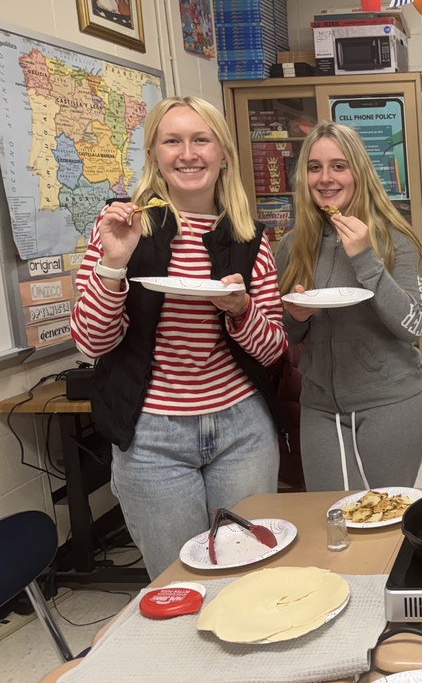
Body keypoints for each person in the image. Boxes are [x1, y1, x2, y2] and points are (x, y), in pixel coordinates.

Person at [70, 95, 288, 579]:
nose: (187, 153)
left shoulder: (250, 238)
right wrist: (112, 264)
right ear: (154, 155)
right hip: (151, 436)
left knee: (248, 573)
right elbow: (90, 343)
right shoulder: (122, 229)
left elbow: (274, 349)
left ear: (223, 153)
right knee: (179, 582)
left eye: (200, 139)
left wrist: (241, 311)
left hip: (242, 430)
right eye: (172, 141)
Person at [276, 121, 422, 492]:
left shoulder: (396, 239)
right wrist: (295, 318)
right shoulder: (292, 245)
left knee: (383, 522)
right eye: (315, 167)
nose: (325, 178)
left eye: (339, 166)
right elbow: (285, 333)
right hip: (318, 406)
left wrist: (365, 258)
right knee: (332, 517)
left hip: (391, 403)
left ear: (359, 172)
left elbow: (415, 324)